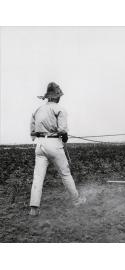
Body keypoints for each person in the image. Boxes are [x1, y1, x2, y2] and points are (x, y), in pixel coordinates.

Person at [29, 82, 86, 216]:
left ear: (48, 97)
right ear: (56, 96)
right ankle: (76, 200)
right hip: (54, 144)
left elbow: (32, 131)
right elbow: (62, 131)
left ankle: (34, 209)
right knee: (65, 174)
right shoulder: (60, 109)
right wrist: (64, 137)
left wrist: (40, 133)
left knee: (38, 177)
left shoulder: (37, 110)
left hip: (40, 145)